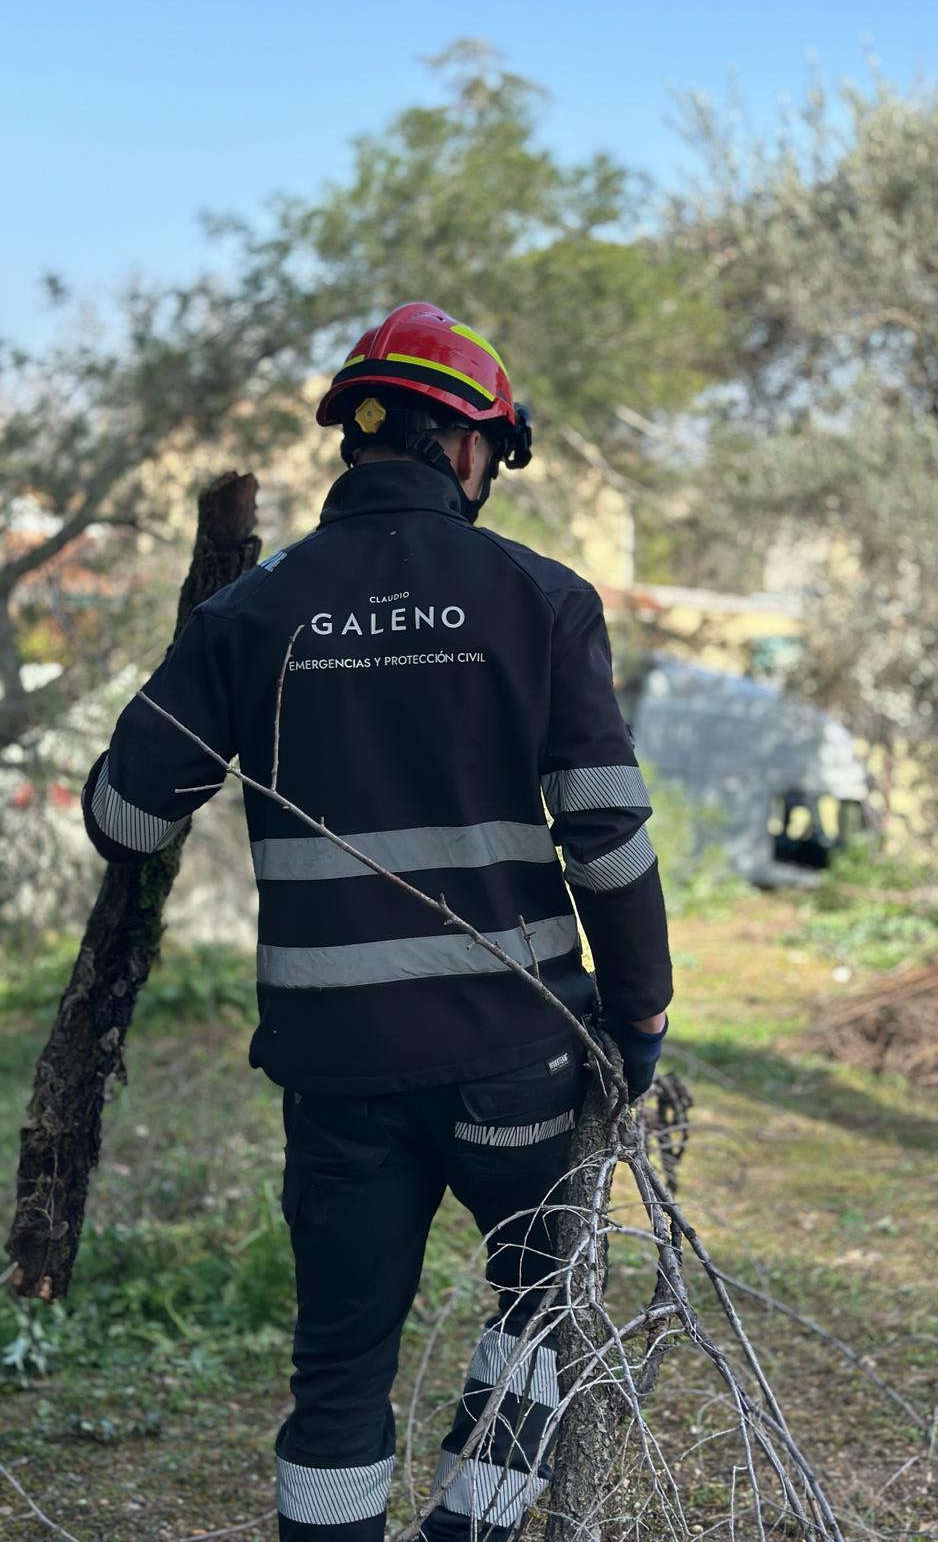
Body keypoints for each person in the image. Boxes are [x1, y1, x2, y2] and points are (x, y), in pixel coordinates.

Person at [81, 302, 674, 1539]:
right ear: (466, 448)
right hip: (517, 1058)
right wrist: (643, 1011)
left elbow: (127, 820)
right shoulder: (543, 599)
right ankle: (470, 1524)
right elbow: (608, 842)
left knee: (339, 1377)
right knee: (536, 1315)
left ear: (357, 437)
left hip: (337, 1072)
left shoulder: (256, 610)